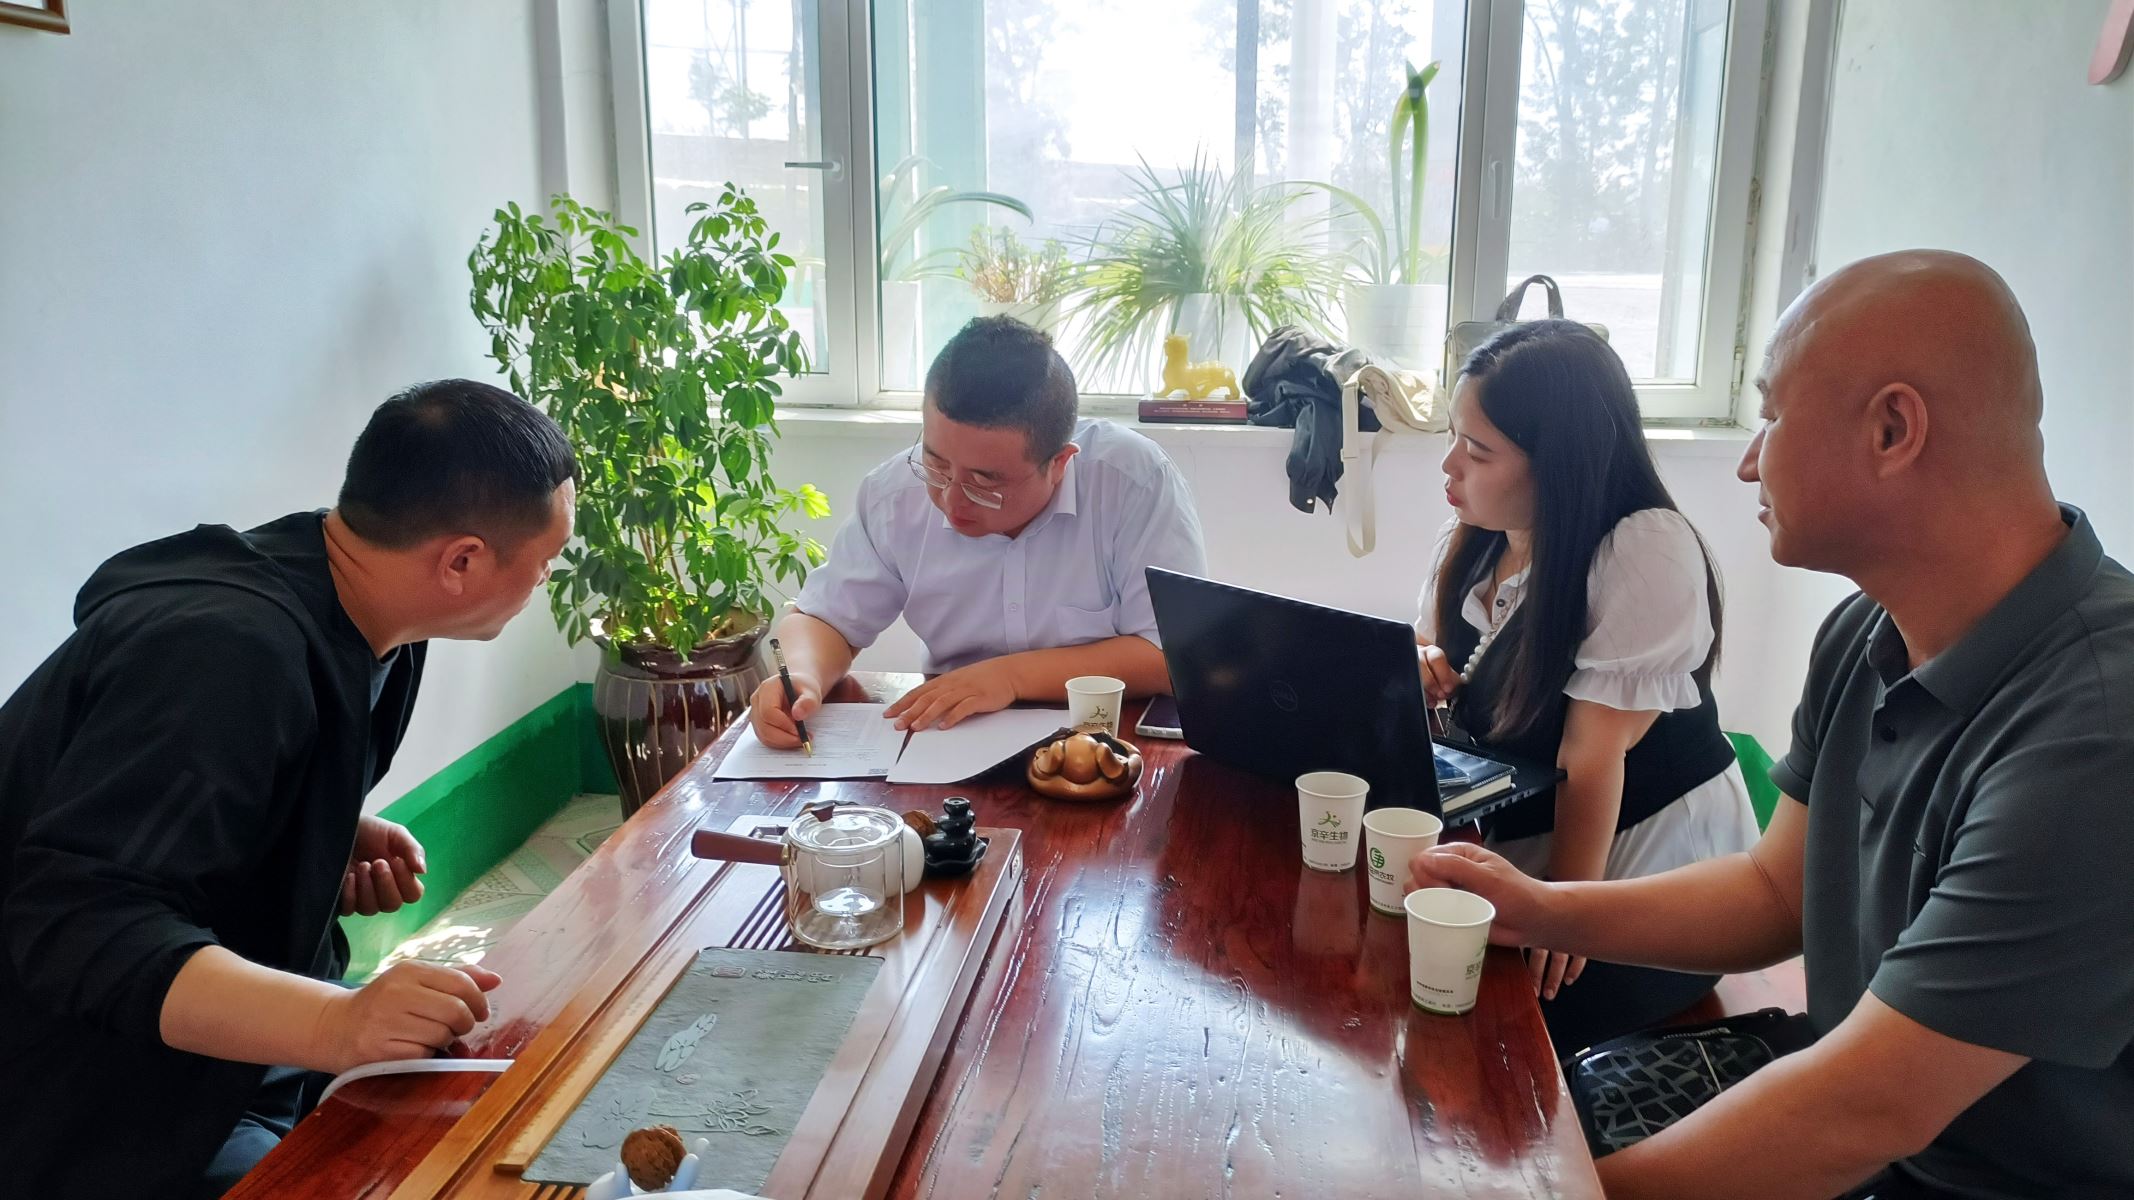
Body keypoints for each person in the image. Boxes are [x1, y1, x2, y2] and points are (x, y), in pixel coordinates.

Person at [1410, 250, 2134, 1199]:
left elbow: (1870, 1108)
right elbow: (1774, 891)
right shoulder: (1866, 631)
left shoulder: (2098, 732)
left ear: (1892, 429)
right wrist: (1539, 907)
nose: (1748, 459)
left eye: (1772, 415)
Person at [0, 379, 579, 1199]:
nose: (546, 578)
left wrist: (320, 830)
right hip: (86, 1095)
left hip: (233, 1049)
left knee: (498, 1083)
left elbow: (181, 796)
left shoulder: (369, 612)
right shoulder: (222, 654)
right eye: (547, 560)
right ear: (461, 560)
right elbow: (76, 923)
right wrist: (336, 1024)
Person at [1414, 320, 1759, 1051]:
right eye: (1452, 437)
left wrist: (1562, 916)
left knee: (1506, 1026)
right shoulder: (1478, 538)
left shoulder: (1643, 551)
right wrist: (1421, 669)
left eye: (1478, 450)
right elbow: (1454, 664)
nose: (1449, 465)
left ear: (1560, 464)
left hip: (1643, 860)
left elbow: (1592, 758)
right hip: (1534, 833)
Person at [749, 316, 1206, 742]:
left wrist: (1009, 677)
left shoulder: (1132, 481)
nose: (951, 500)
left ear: (1060, 463)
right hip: (952, 738)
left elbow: (1170, 655)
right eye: (936, 463)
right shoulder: (894, 495)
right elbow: (826, 619)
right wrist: (802, 676)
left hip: (1107, 737)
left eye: (985, 483)